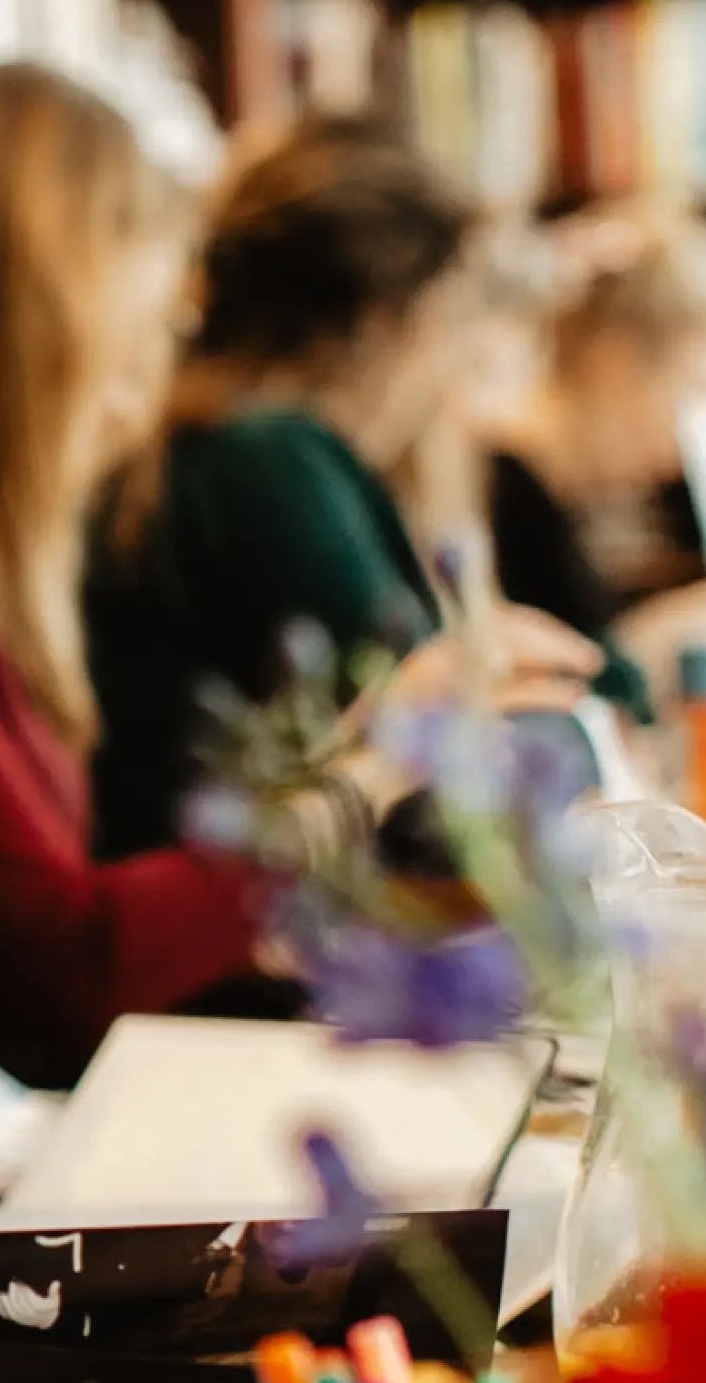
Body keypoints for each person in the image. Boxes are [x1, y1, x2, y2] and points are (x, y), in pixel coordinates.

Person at [0, 69, 598, 1086]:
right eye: (146, 319)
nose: (149, 367)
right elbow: (62, 962)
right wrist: (369, 763)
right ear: (54, 295)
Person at [83, 117, 538, 862]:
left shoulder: (195, 445)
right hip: (240, 937)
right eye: (449, 315)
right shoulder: (266, 459)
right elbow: (437, 754)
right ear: (383, 320)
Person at [482, 216, 706, 721]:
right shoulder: (504, 494)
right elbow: (557, 701)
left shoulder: (547, 495)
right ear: (615, 361)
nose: (674, 448)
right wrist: (655, 643)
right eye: (679, 399)